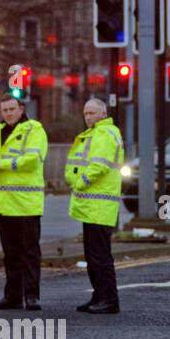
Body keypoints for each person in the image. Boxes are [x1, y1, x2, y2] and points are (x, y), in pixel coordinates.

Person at [0, 94, 48, 310]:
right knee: (10, 254)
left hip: (26, 203)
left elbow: (32, 161)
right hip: (3, 204)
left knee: (29, 252)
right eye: (5, 110)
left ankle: (32, 296)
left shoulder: (34, 129)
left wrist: (1, 164)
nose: (8, 113)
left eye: (12, 109)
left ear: (21, 109)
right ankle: (12, 296)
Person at [67, 98, 124, 314]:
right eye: (85, 113)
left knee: (100, 256)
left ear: (103, 113)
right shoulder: (97, 133)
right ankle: (99, 296)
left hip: (100, 204)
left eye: (92, 113)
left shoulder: (104, 133)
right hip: (93, 205)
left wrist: (80, 182)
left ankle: (108, 300)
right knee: (93, 256)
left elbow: (98, 166)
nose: (88, 117)